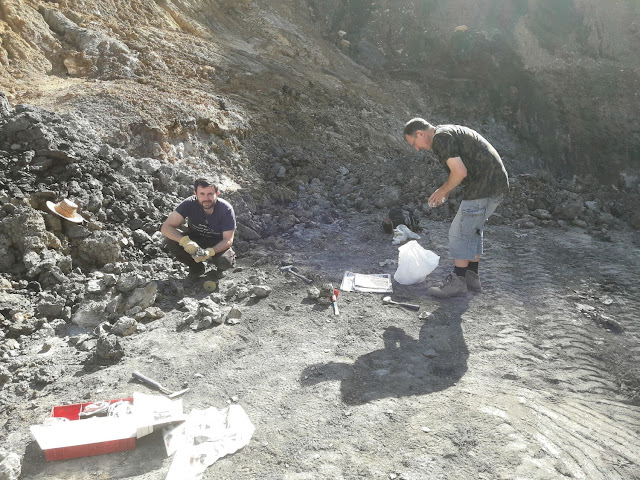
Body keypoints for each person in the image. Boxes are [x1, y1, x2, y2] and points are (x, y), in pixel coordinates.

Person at [403, 118, 509, 297]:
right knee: (473, 230)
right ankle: (471, 277)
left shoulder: (440, 138)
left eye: (414, 143)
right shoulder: (446, 132)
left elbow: (459, 172)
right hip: (497, 185)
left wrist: (442, 190)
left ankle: (458, 282)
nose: (417, 149)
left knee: (459, 233)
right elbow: (461, 169)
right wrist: (448, 190)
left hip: (483, 187)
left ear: (420, 133)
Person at [161, 177, 236, 284]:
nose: (206, 198)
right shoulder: (189, 204)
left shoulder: (226, 209)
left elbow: (228, 240)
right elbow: (166, 227)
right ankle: (196, 268)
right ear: (195, 194)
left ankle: (219, 270)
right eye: (202, 194)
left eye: (210, 194)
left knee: (225, 261)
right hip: (195, 238)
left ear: (217, 194)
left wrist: (210, 252)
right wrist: (185, 242)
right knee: (171, 241)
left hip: (217, 242)